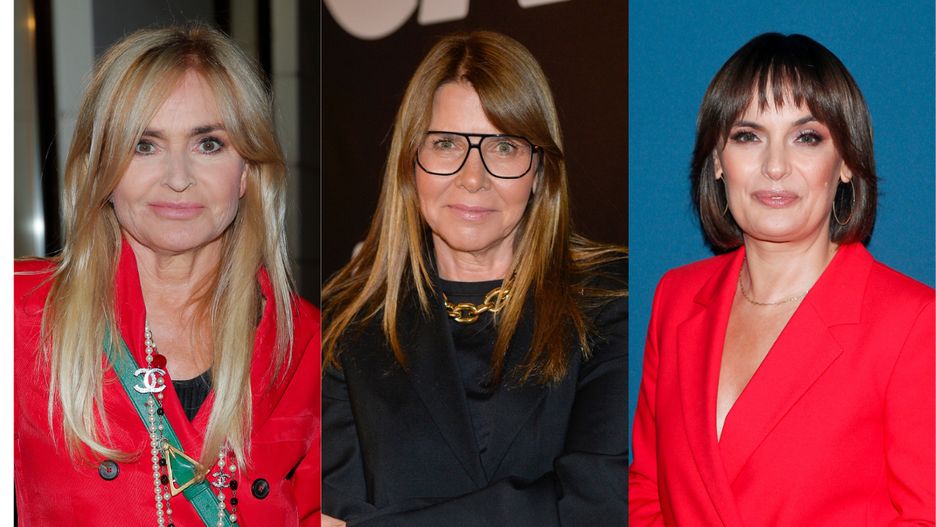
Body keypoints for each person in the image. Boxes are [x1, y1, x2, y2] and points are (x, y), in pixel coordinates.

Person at [14, 25, 320, 526]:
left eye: (209, 144)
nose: (178, 178)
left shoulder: (306, 344)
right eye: (144, 145)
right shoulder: (22, 314)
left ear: (247, 171)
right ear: (101, 169)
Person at [321, 31, 627, 526]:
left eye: (503, 147)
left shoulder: (612, 302)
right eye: (446, 144)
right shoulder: (344, 326)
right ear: (410, 163)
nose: (472, 177)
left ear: (540, 171)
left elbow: (601, 501)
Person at [629, 33, 935, 525]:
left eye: (806, 137)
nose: (775, 166)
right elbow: (647, 488)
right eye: (747, 136)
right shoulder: (677, 297)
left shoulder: (912, 323)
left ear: (846, 163)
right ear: (717, 161)